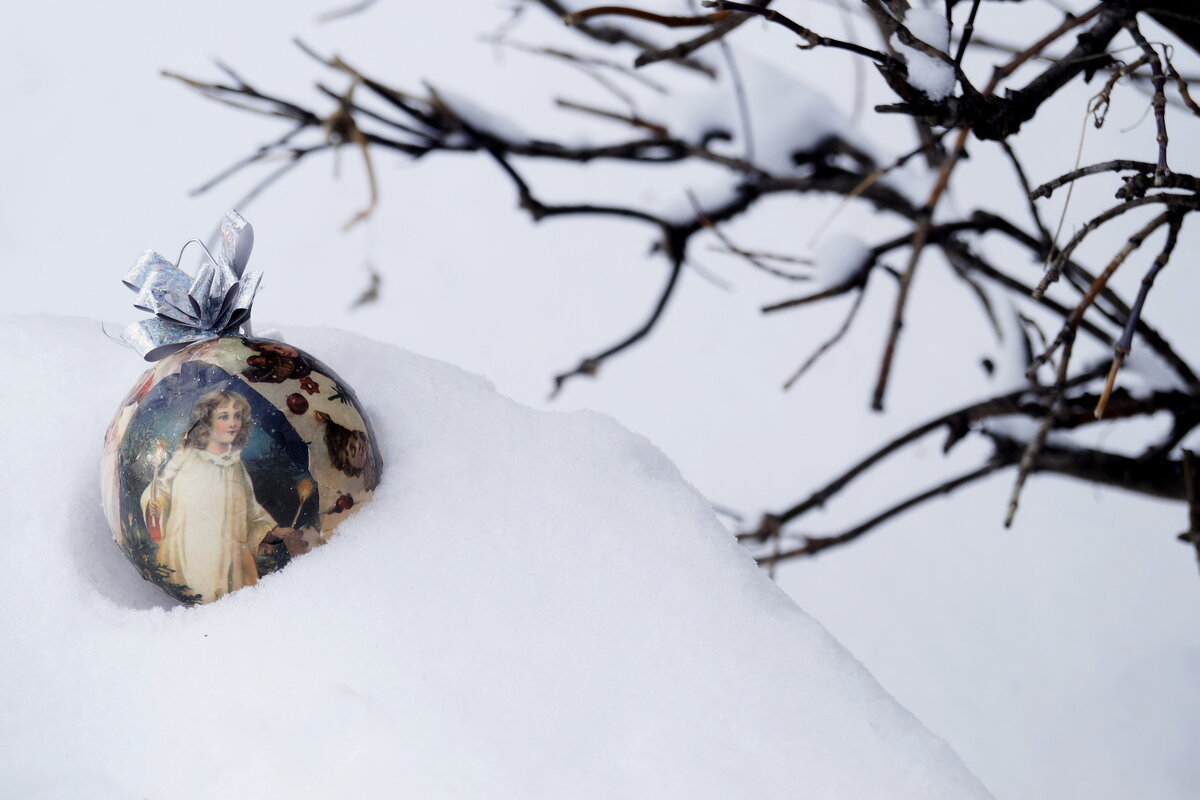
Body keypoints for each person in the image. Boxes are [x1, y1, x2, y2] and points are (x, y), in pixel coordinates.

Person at [142, 389, 303, 603]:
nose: (233, 423)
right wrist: (156, 504)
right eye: (224, 416)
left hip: (229, 555)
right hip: (188, 549)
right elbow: (161, 489)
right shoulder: (186, 458)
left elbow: (251, 510)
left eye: (237, 416)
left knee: (235, 596)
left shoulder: (234, 466)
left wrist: (273, 530)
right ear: (207, 422)